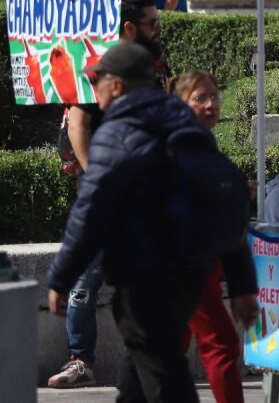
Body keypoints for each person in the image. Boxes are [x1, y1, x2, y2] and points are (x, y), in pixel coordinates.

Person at [46, 43, 254, 402]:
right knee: (138, 365)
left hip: (145, 276)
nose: (94, 90)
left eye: (98, 81)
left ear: (119, 86)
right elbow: (225, 203)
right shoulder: (189, 126)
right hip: (191, 273)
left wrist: (61, 277)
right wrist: (241, 283)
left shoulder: (119, 131)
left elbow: (91, 210)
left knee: (162, 369)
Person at [49, 0, 167, 390]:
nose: (159, 29)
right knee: (86, 280)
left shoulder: (154, 65)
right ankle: (81, 360)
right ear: (130, 28)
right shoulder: (105, 67)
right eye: (153, 23)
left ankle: (150, 363)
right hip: (109, 196)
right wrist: (98, 180)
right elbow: (79, 124)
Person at [170, 71, 258, 403]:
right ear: (180, 104)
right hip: (184, 269)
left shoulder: (203, 147)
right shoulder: (179, 148)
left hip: (198, 266)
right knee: (222, 344)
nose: (211, 104)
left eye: (214, 96)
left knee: (171, 348)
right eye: (200, 98)